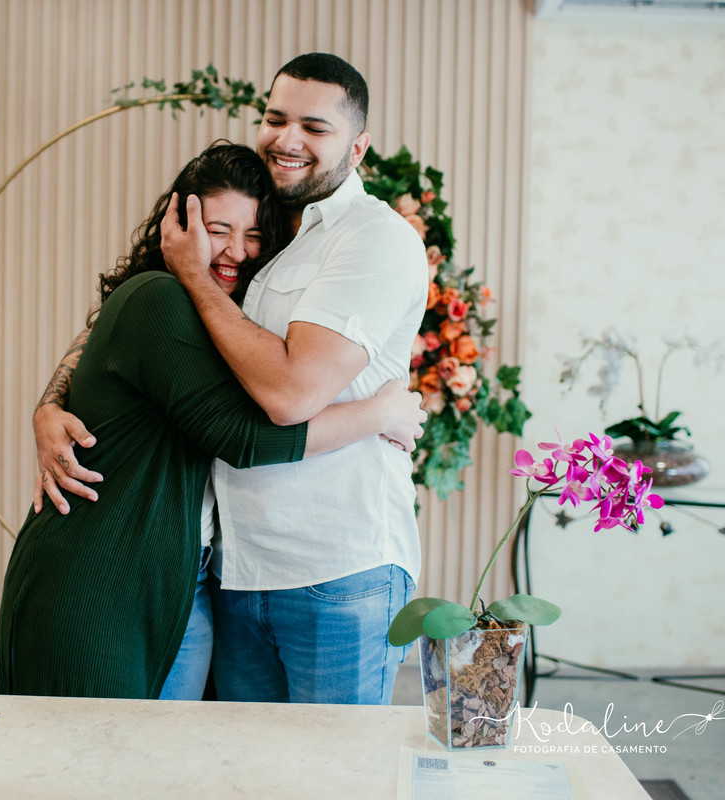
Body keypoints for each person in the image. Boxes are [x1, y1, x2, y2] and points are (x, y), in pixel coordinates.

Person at [33, 54, 429, 705]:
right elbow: (126, 323)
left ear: (357, 146)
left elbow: (289, 395)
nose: (288, 138)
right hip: (236, 570)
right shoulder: (264, 231)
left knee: (331, 774)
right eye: (275, 118)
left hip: (335, 567)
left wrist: (194, 274)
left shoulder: (372, 240)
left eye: (315, 126)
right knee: (239, 771)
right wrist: (48, 406)